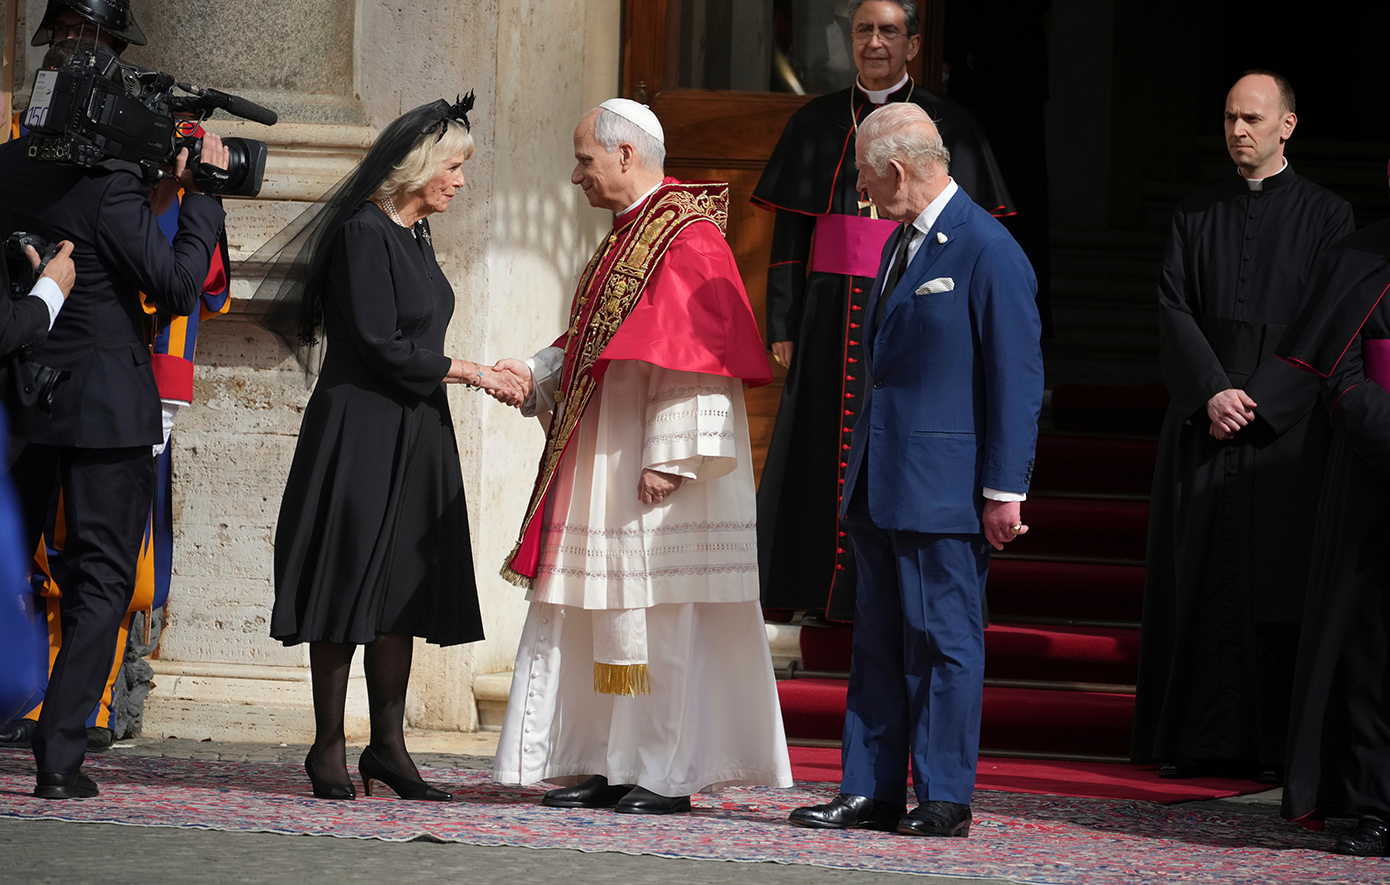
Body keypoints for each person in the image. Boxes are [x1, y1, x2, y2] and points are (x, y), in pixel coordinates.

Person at [490, 99, 793, 814]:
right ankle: (607, 760)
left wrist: (673, 456)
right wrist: (534, 373)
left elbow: (699, 358)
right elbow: (595, 343)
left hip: (656, 471)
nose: (575, 177)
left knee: (662, 619)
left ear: (626, 155)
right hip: (609, 456)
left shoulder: (686, 238)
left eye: (585, 161)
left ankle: (663, 770)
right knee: (603, 610)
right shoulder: (626, 236)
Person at [787, 102, 1042, 837]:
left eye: (865, 176)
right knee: (876, 645)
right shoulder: (901, 241)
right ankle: (868, 788)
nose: (861, 191)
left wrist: (1005, 488)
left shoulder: (987, 249)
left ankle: (941, 794)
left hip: (944, 491)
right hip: (881, 480)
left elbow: (1017, 378)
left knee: (943, 643)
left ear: (896, 169)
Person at [268, 96, 518, 802]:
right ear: (417, 167)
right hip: (361, 428)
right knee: (347, 579)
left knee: (401, 587)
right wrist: (470, 370)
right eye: (455, 167)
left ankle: (388, 747)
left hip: (417, 428)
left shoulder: (415, 235)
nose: (461, 182)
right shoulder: (361, 233)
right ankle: (327, 746)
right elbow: (379, 341)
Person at [0, 0, 231, 755]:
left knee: (12, 563)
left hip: (24, 394)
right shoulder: (108, 186)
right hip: (103, 405)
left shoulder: (11, 170)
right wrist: (203, 200)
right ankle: (62, 748)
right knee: (102, 580)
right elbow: (172, 284)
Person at [752, 0, 1014, 622]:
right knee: (820, 447)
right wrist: (783, 321)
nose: (874, 42)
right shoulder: (816, 121)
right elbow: (791, 236)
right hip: (828, 314)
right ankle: (809, 589)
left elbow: (973, 235)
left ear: (913, 45)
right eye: (864, 29)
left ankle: (881, 597)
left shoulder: (949, 124)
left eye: (889, 31)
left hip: (917, 313)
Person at [1131, 71, 1356, 782]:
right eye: (1230, 118)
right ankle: (1190, 735)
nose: (1238, 131)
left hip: (1282, 437)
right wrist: (1213, 392)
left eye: (1253, 118)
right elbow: (1173, 308)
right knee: (1193, 580)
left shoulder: (1329, 216)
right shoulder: (1195, 213)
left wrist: (1260, 399)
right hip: (1204, 426)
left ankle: (1273, 745)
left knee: (1275, 584)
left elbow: (1331, 322)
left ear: (1287, 125)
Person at [1275, 207, 1390, 856]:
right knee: (1372, 651)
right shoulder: (1358, 259)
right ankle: (1377, 806)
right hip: (1372, 485)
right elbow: (1339, 380)